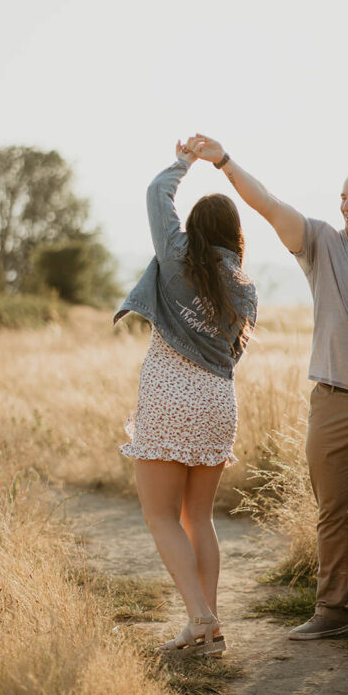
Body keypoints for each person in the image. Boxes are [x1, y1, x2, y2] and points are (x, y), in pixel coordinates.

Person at [187, 134, 348, 647]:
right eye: (343, 197)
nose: (346, 205)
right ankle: (332, 612)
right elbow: (268, 205)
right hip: (330, 402)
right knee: (332, 512)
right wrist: (224, 163)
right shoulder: (322, 245)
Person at [114, 140, 257, 657]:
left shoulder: (175, 256)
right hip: (219, 401)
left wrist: (184, 161)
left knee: (159, 516)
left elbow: (158, 193)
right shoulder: (244, 286)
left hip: (169, 397)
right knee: (200, 518)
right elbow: (231, 353)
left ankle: (199, 617)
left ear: (194, 230)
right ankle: (211, 630)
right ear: (235, 236)